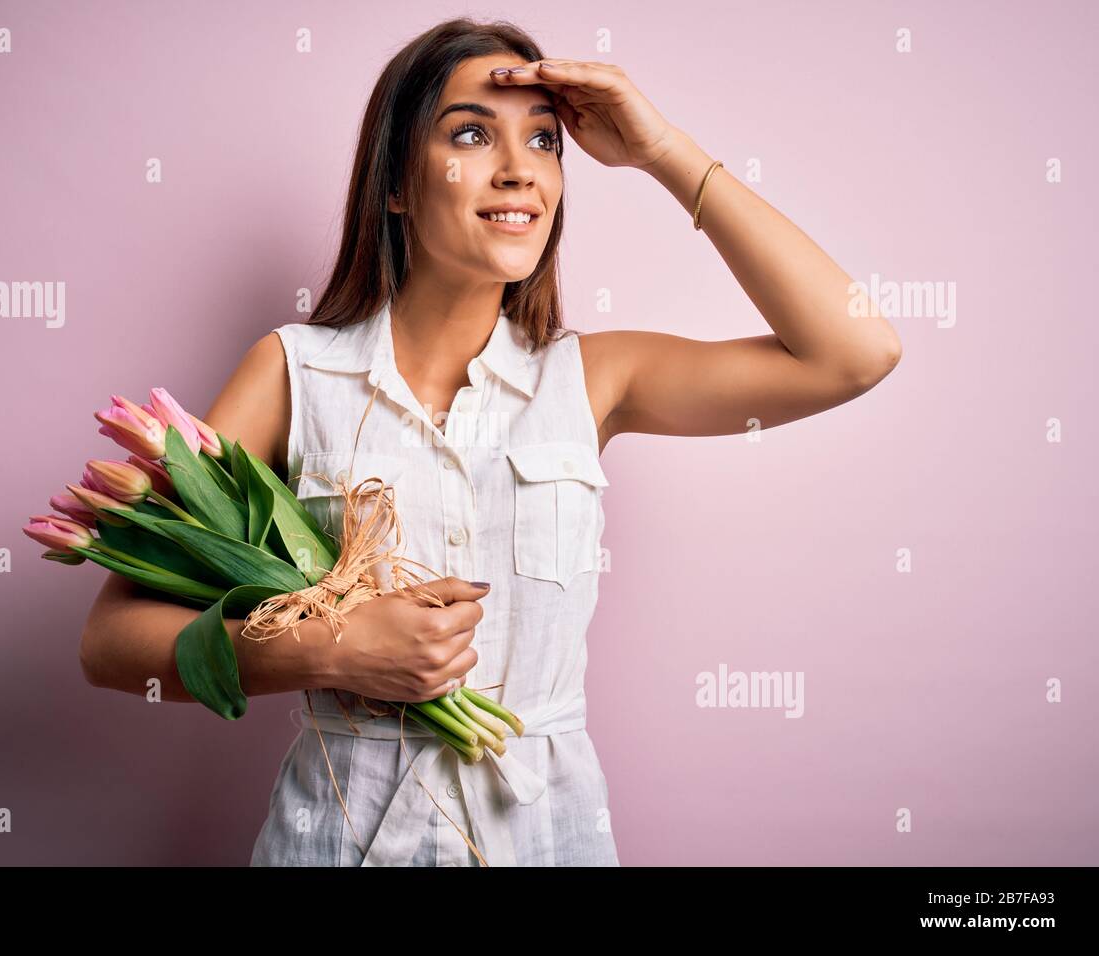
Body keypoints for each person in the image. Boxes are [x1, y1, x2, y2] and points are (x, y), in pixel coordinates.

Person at [78, 17, 901, 867]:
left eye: (544, 141)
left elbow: (854, 352)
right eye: (472, 133)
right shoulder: (292, 371)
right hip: (335, 843)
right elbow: (110, 643)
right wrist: (336, 649)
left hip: (543, 842)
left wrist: (663, 152)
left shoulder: (593, 379)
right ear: (395, 183)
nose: (519, 169)